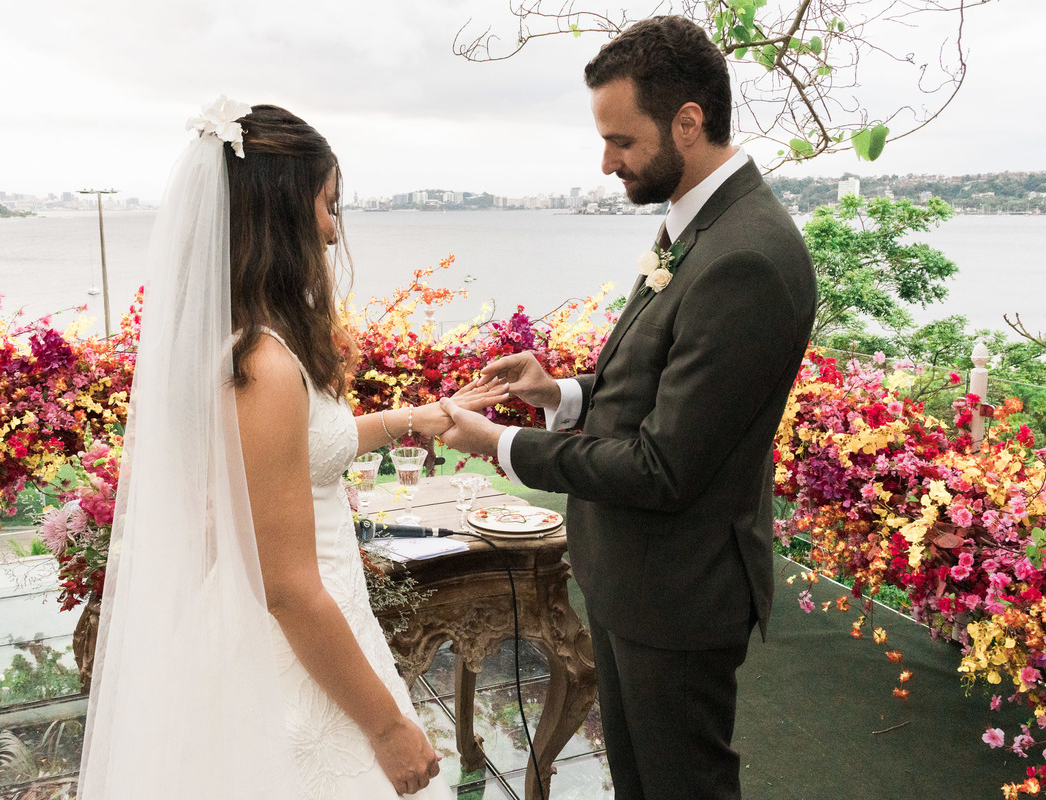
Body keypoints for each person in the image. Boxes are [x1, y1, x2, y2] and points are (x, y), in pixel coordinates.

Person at [77, 98, 505, 799]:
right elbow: (287, 588)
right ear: (282, 213)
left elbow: (297, 458)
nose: (335, 231)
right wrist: (388, 728)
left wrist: (413, 419)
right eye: (329, 205)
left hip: (320, 624)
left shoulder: (257, 342)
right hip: (295, 648)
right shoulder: (264, 367)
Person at [438, 17, 817, 800]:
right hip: (633, 578)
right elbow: (657, 387)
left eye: (622, 140)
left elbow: (665, 465)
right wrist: (561, 393)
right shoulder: (698, 228)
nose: (606, 161)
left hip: (680, 594)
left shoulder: (745, 254)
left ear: (689, 121)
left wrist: (501, 443)